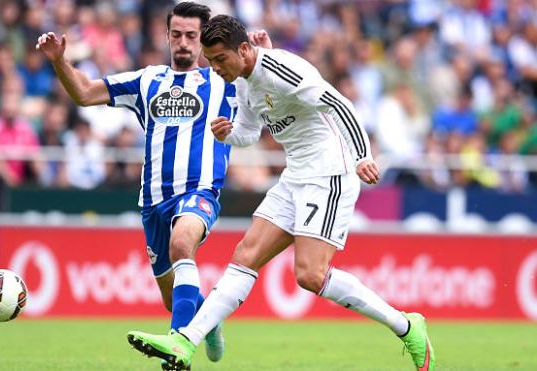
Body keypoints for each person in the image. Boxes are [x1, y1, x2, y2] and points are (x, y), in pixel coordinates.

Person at [127, 15, 435, 371]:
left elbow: (340, 105)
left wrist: (363, 154)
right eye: (210, 61)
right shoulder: (242, 80)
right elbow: (248, 132)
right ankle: (184, 341)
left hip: (329, 172)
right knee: (245, 254)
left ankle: (407, 326)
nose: (215, 68)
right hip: (296, 174)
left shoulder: (280, 69)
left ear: (243, 49)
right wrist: (228, 134)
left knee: (309, 275)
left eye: (220, 59)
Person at [36, 4, 271, 370]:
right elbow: (84, 93)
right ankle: (207, 319)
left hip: (200, 191)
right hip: (153, 202)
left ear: (204, 39)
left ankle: (179, 347)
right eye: (176, 35)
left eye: (191, 36)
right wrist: (58, 61)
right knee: (172, 297)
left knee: (182, 245)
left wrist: (263, 53)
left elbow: (266, 82)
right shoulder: (147, 80)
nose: (183, 43)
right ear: (166, 36)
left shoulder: (224, 79)